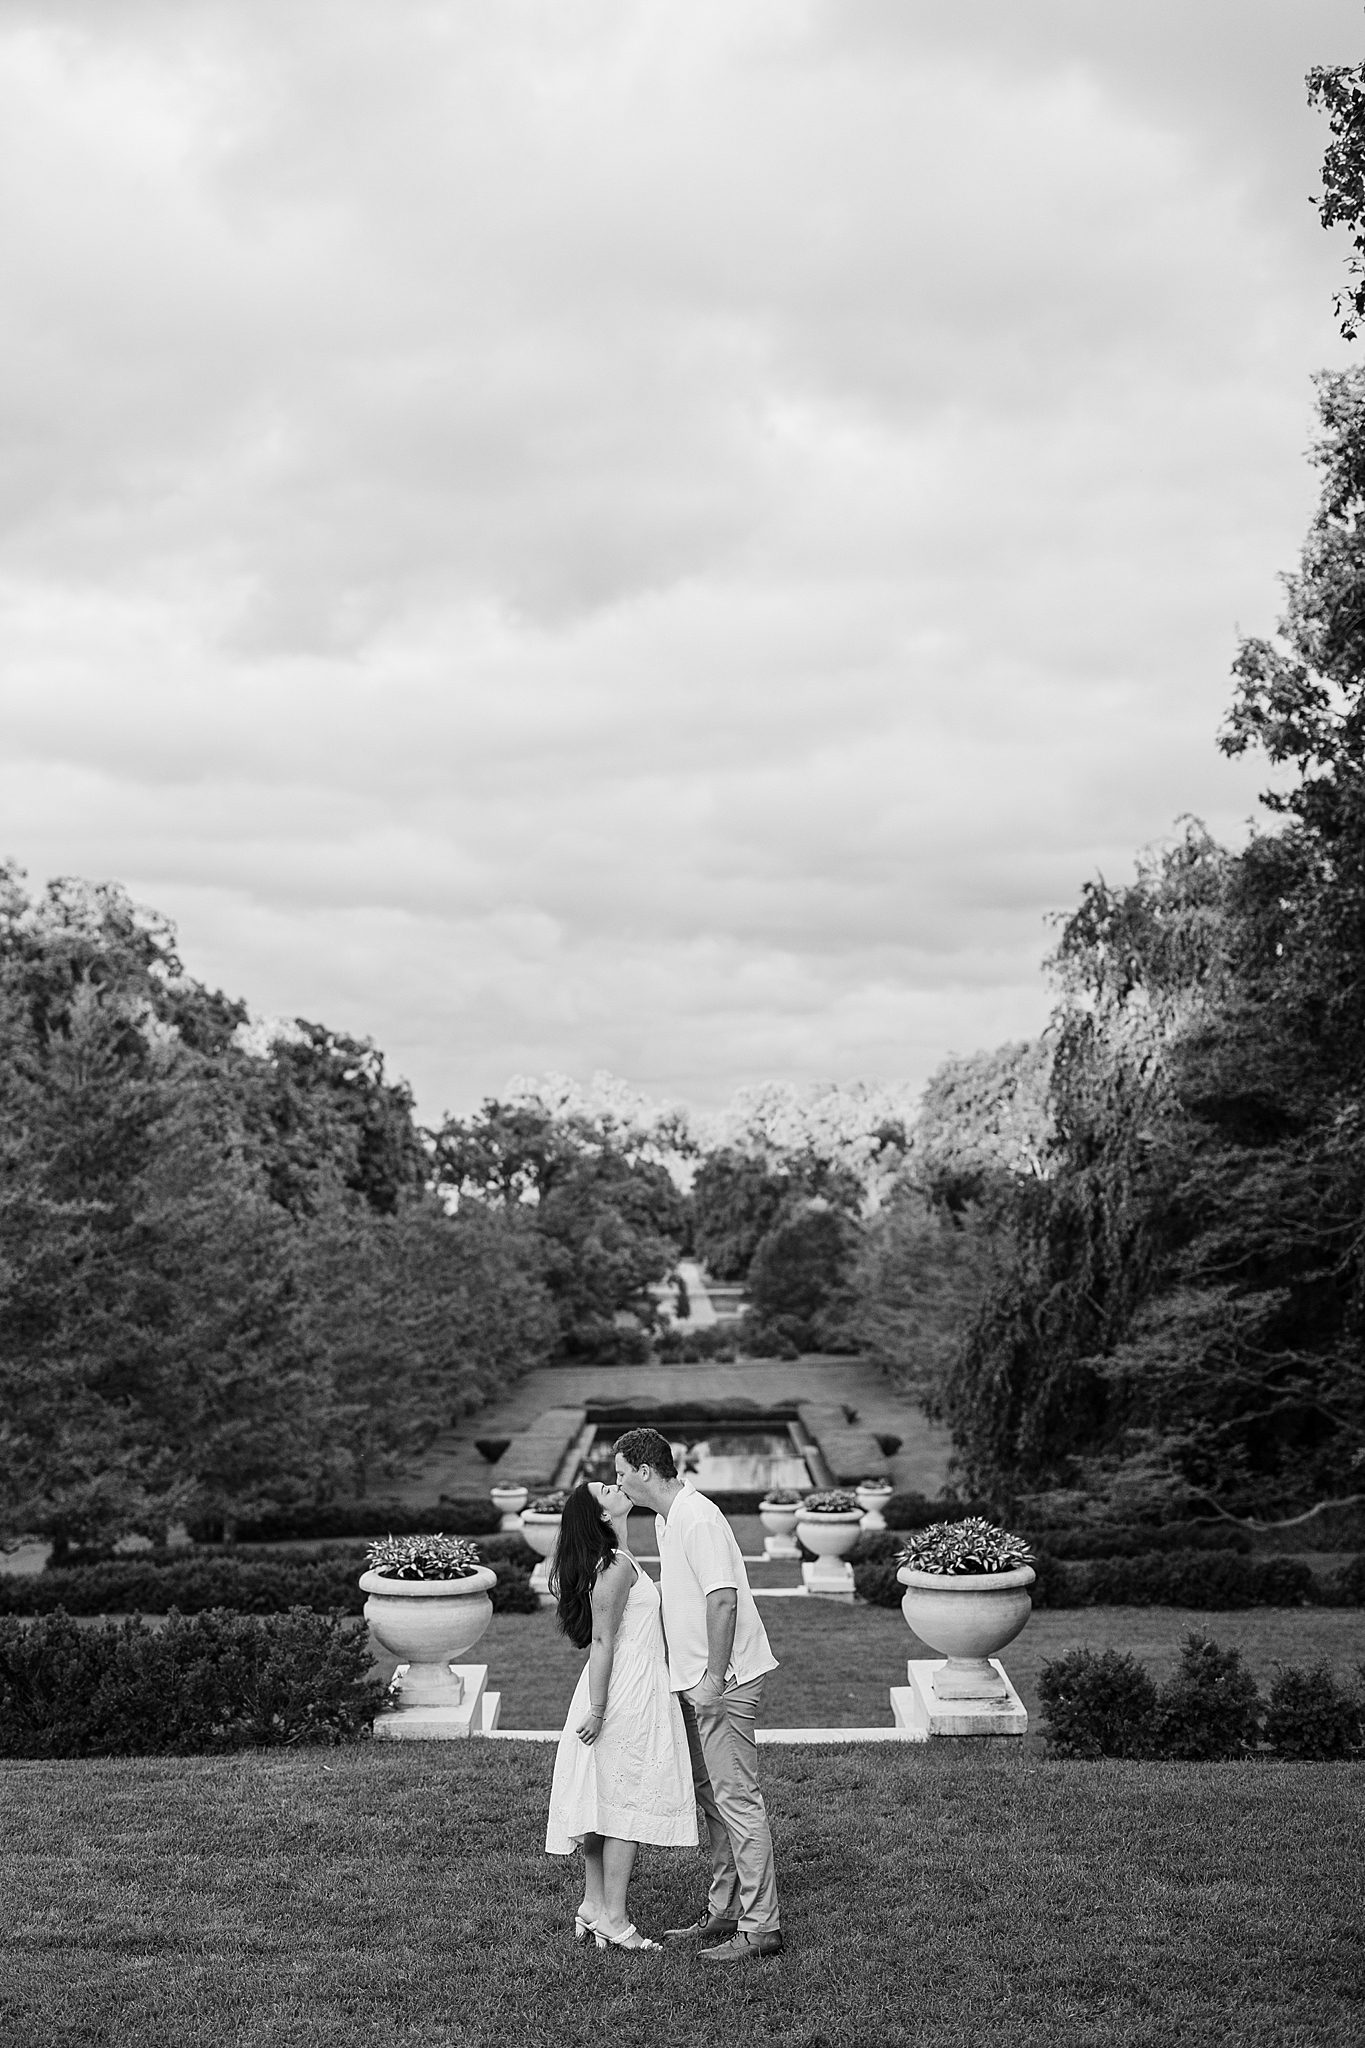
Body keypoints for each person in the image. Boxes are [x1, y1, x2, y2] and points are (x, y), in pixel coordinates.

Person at [613, 1427, 784, 1963]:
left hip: (724, 1684)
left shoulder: (697, 1517)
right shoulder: (667, 1520)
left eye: (621, 1472)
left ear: (644, 1471)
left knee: (738, 1802)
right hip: (696, 1683)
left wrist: (712, 1679)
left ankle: (761, 1930)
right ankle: (725, 1910)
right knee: (715, 1802)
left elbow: (724, 1602)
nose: (617, 1482)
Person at [544, 1480, 697, 1952]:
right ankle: (613, 1917)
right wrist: (598, 1709)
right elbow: (603, 1642)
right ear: (602, 1515)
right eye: (605, 1488)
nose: (616, 1485)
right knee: (624, 1806)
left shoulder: (619, 1560)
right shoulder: (613, 1567)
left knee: (604, 1801)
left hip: (632, 1684)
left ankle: (593, 1906)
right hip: (623, 1692)